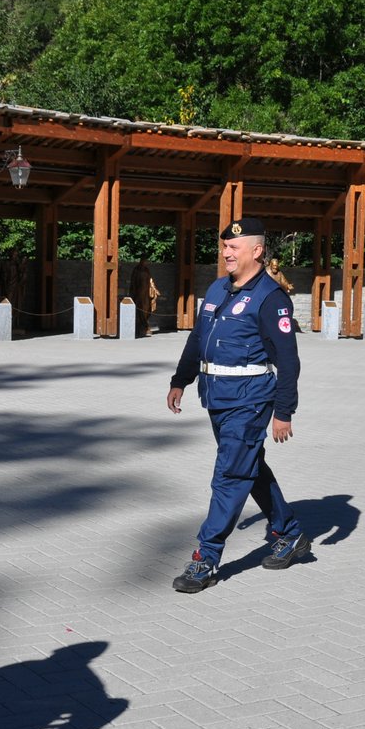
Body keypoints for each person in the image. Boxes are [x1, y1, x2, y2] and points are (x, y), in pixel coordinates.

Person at [166, 218, 311, 593]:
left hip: (250, 399)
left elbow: (288, 360)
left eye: (234, 248)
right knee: (248, 466)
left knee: (230, 474)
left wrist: (283, 412)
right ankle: (289, 532)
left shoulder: (270, 296)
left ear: (257, 251)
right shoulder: (218, 288)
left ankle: (206, 558)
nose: (226, 253)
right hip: (216, 396)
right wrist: (181, 379)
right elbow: (198, 338)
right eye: (225, 247)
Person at [129, 256, 161, 337]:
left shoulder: (147, 270)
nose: (146, 263)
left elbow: (151, 280)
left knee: (147, 309)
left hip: (146, 293)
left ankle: (145, 325)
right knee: (140, 310)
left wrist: (154, 289)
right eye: (145, 261)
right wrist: (133, 291)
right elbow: (133, 281)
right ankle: (141, 327)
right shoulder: (136, 270)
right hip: (139, 293)